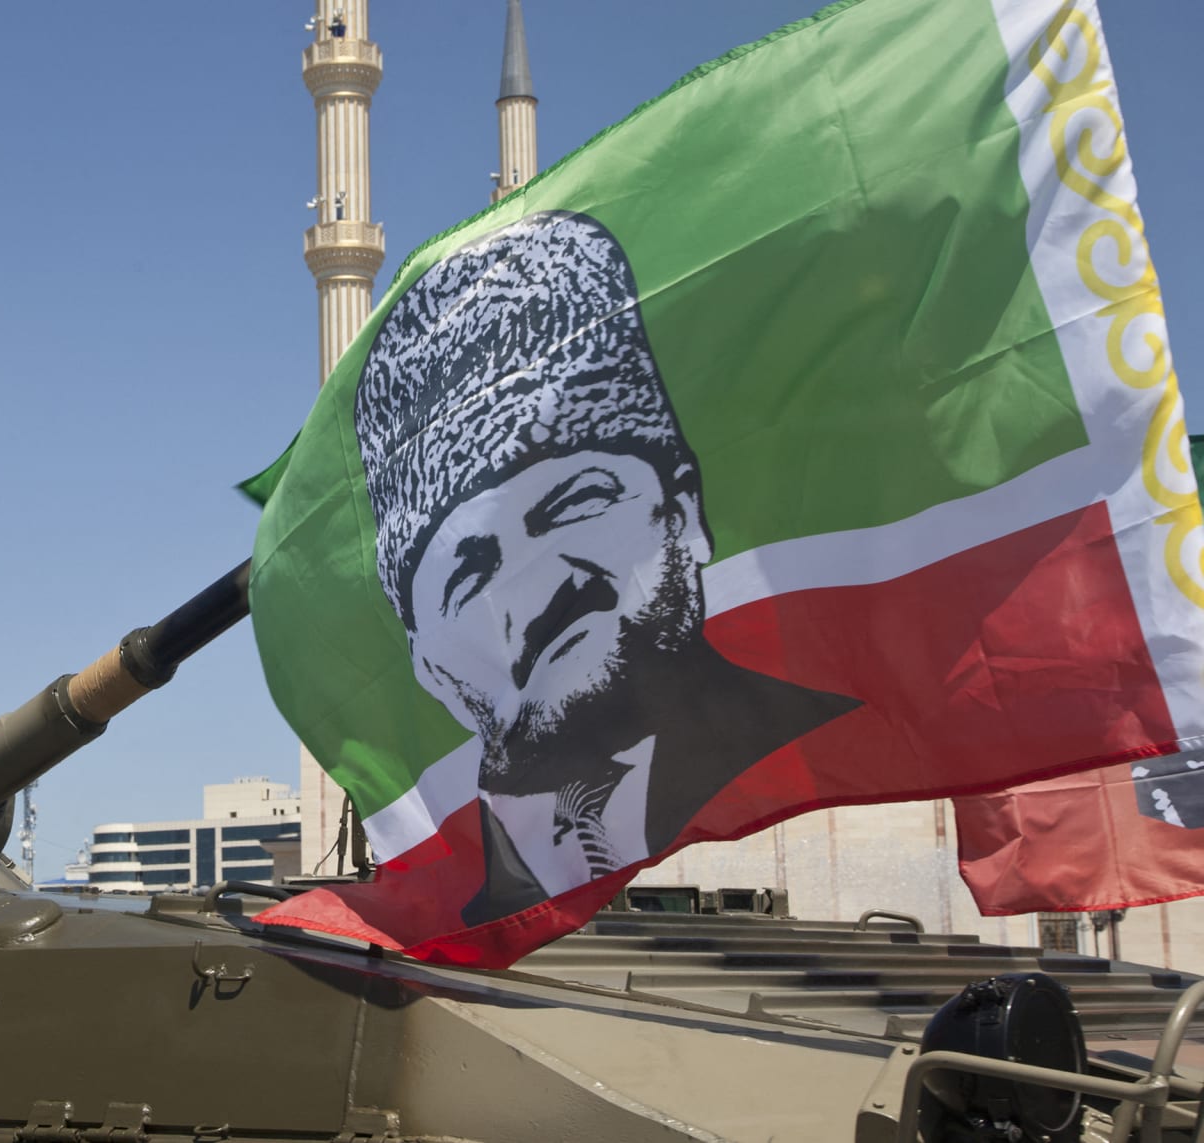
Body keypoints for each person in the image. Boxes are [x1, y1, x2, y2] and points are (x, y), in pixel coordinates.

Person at [353, 211, 853, 924]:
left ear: (684, 509)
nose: (543, 582)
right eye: (471, 576)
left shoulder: (834, 754)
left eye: (577, 504)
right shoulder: (455, 906)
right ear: (430, 669)